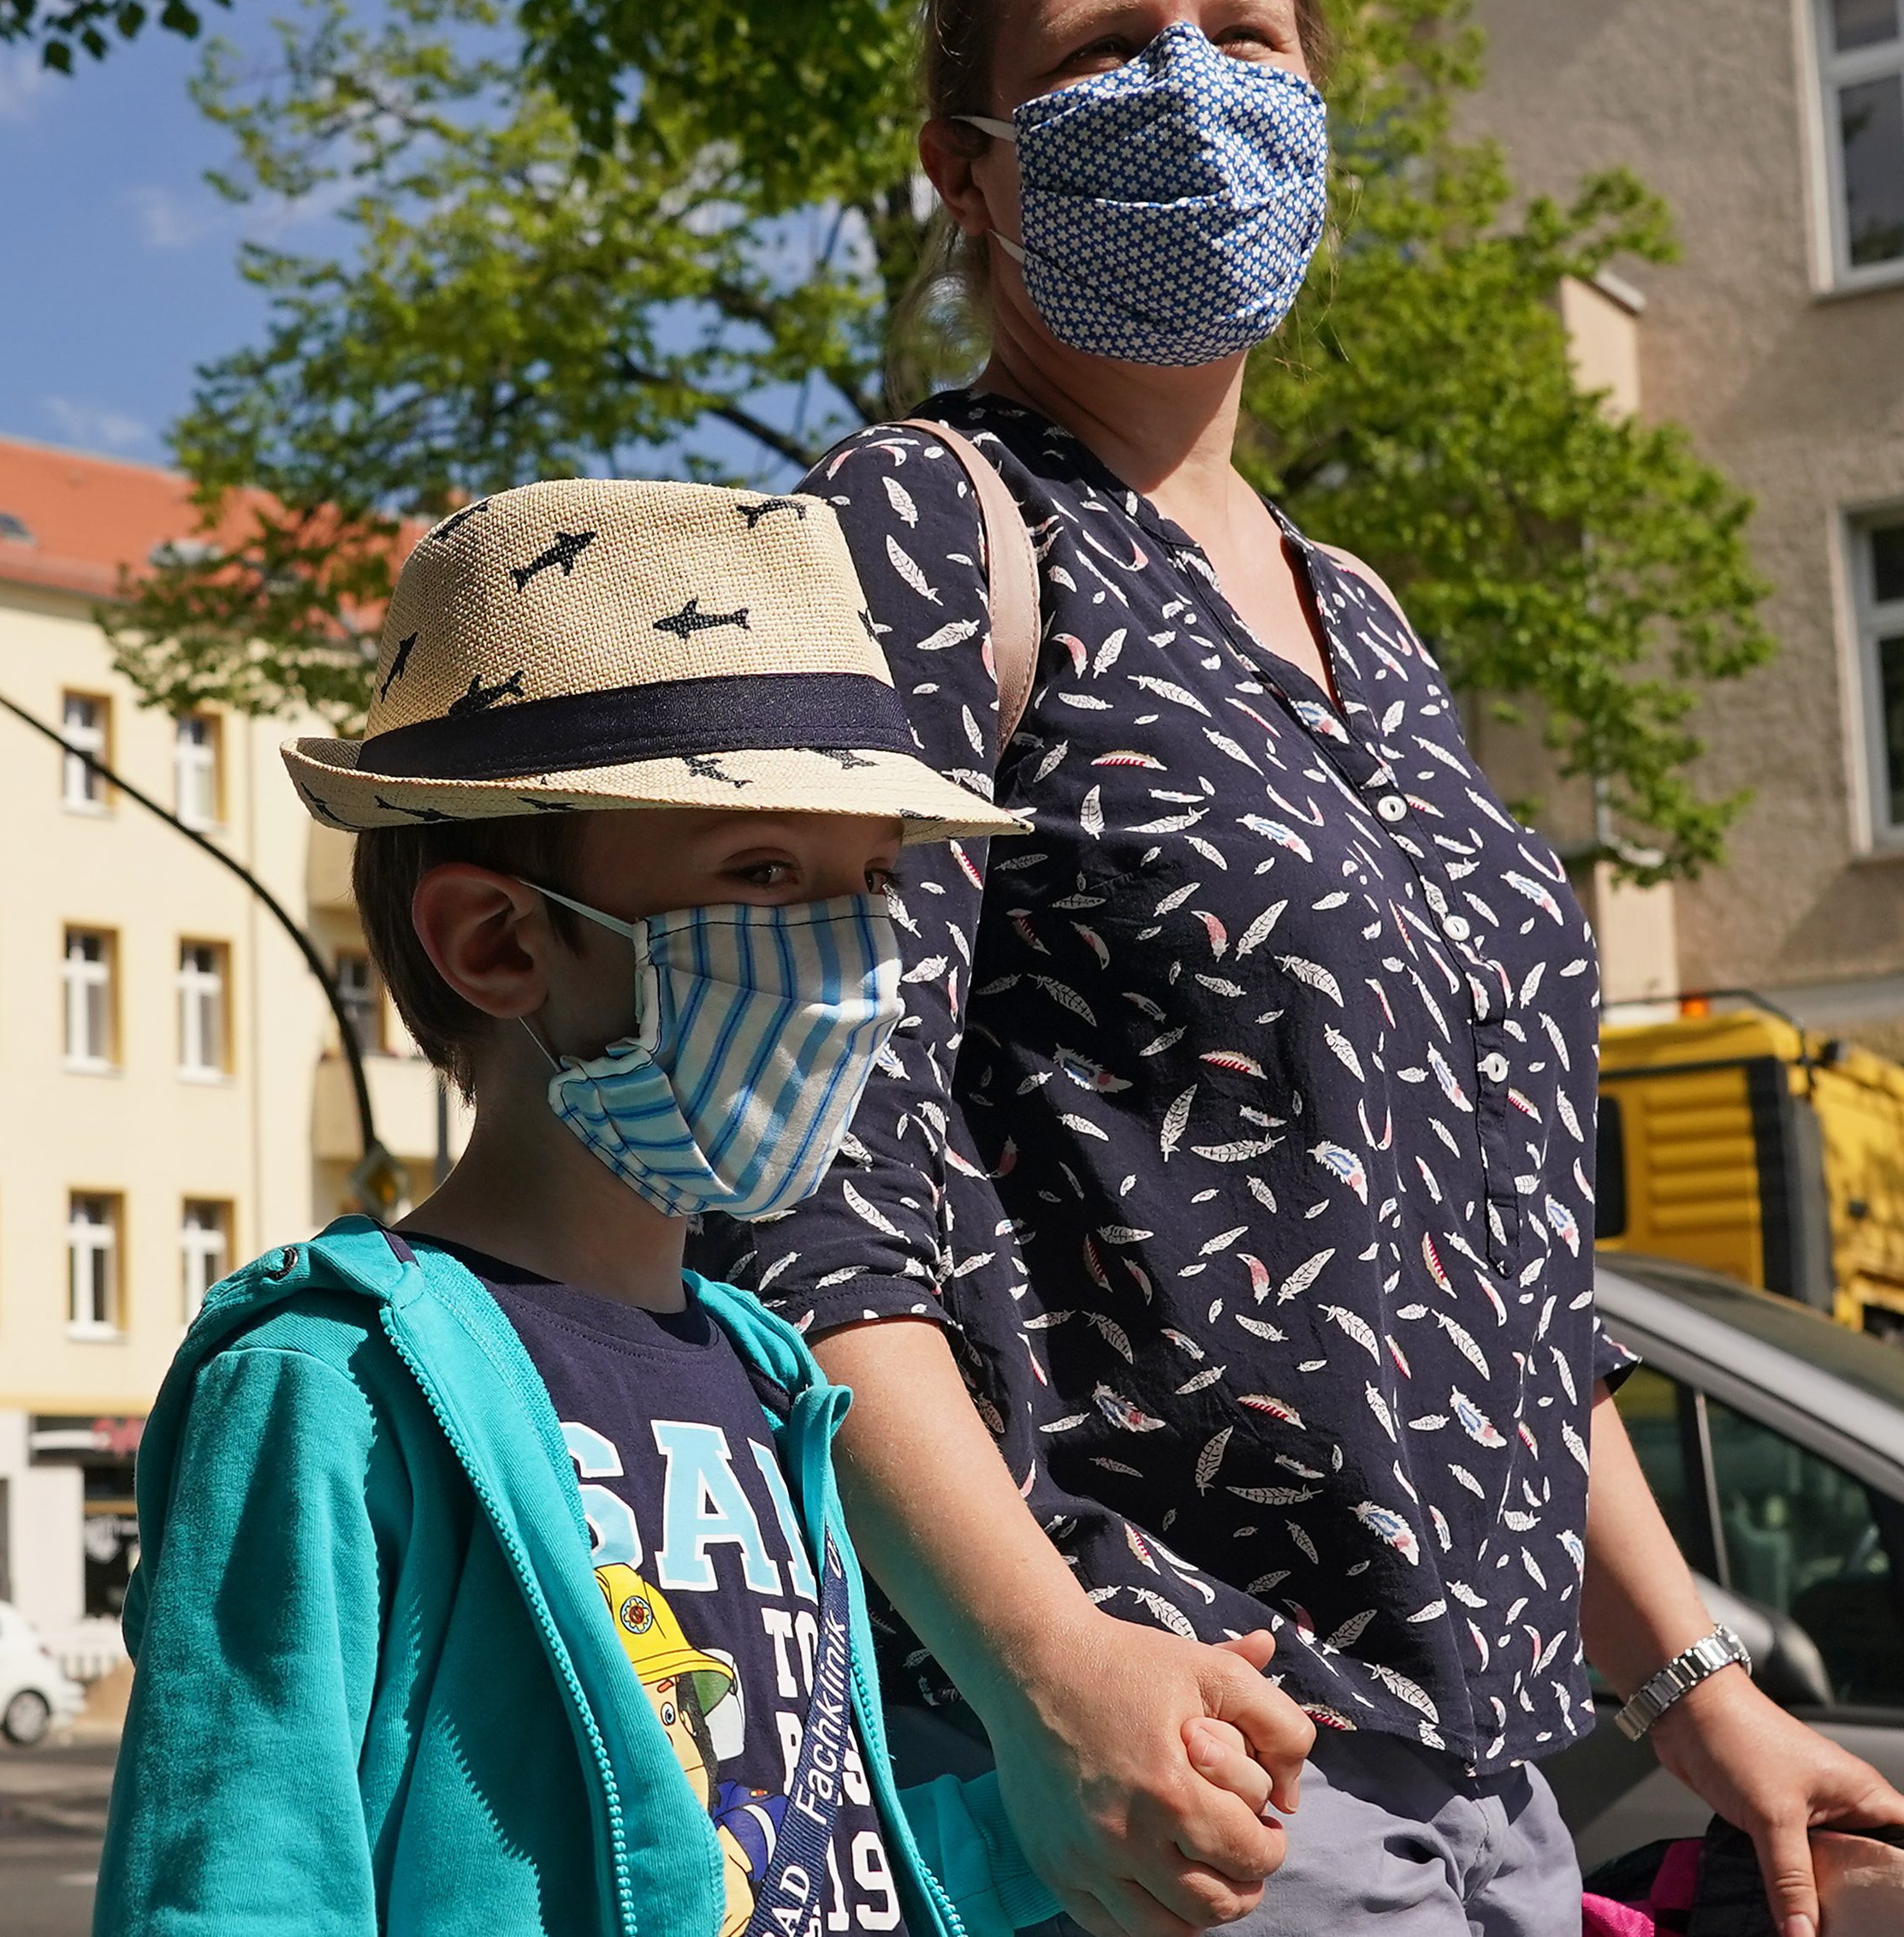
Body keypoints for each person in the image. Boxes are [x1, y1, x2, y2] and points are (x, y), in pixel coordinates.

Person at [688, 0, 1904, 1937]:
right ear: (962, 166)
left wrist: (1701, 1683)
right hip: (1168, 1775)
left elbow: (1491, 1282)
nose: (1189, 89)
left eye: (1245, 36)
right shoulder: (926, 523)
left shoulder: (1367, 619)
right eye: (1099, 46)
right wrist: (1045, 1668)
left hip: (1488, 1788)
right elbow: (793, 1173)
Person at [107, 478, 1215, 1937]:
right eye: (762, 872)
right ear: (496, 941)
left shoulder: (767, 1375)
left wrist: (1071, 1814)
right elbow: (237, 1882)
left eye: (870, 881)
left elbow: (808, 1853)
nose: (856, 960)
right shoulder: (330, 1384)